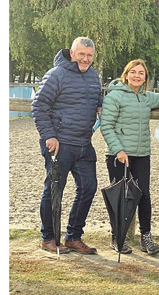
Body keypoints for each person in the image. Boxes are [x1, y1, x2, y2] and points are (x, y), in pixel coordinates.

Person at [32, 36, 102, 255]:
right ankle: (49, 237)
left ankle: (73, 236)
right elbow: (39, 106)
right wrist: (49, 136)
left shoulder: (93, 75)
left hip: (83, 143)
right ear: (72, 53)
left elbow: (95, 99)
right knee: (54, 190)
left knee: (89, 187)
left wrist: (100, 106)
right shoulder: (56, 75)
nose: (85, 59)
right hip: (59, 143)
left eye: (89, 55)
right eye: (81, 54)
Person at [100, 59, 159, 255]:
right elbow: (106, 126)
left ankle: (146, 236)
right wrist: (119, 150)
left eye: (141, 73)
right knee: (120, 198)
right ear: (126, 75)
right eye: (133, 72)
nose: (137, 76)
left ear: (145, 78)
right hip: (120, 155)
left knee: (144, 195)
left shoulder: (146, 97)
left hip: (142, 154)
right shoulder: (114, 97)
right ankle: (117, 236)